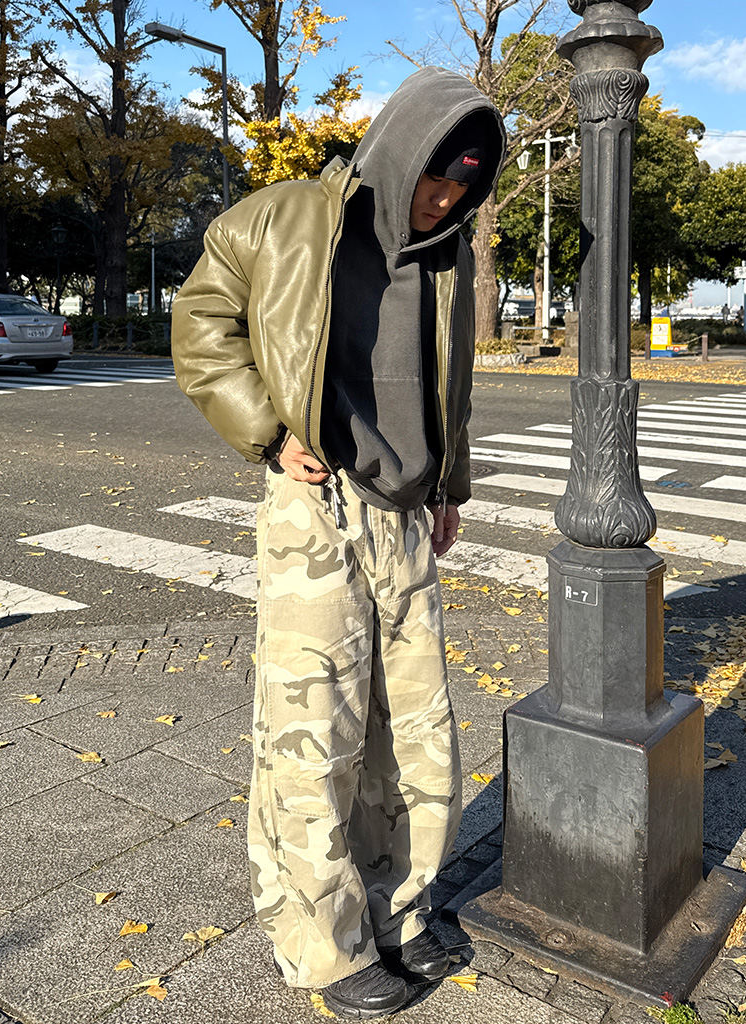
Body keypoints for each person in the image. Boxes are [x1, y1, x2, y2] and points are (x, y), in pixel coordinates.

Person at [171, 67, 506, 1020]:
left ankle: (400, 908)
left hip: (406, 513)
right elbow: (200, 321)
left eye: (465, 187)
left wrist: (448, 485)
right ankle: (322, 945)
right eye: (436, 177)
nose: (445, 200)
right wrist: (267, 432)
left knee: (417, 733)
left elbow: (449, 384)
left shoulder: (448, 254)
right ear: (400, 149)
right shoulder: (283, 219)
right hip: (315, 504)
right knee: (312, 731)